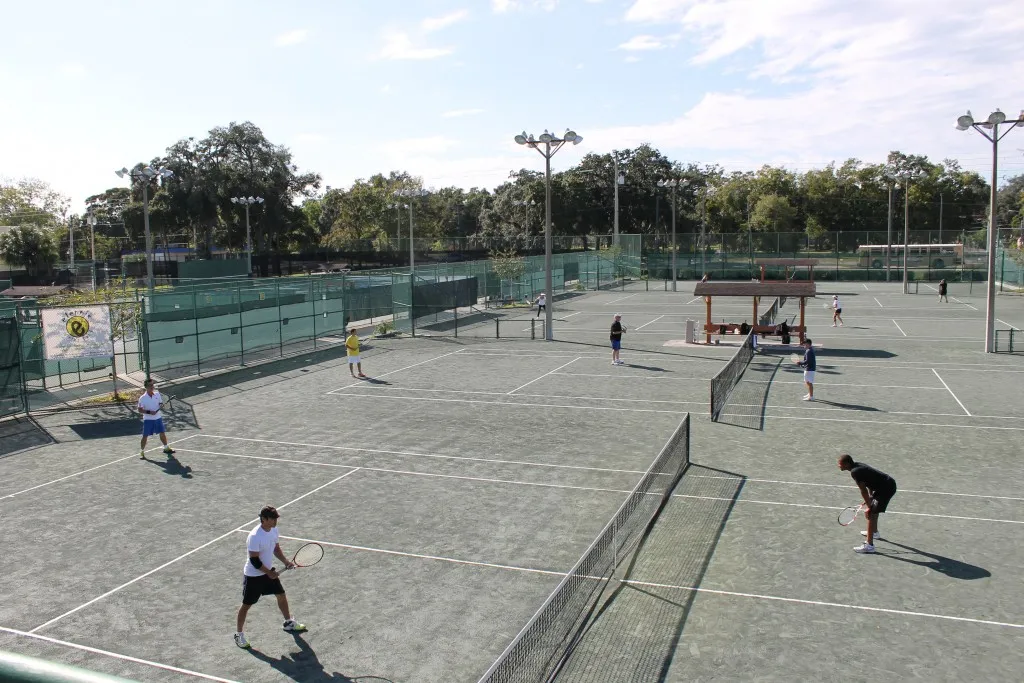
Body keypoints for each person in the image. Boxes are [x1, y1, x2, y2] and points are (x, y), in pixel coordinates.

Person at [234, 506, 307, 649]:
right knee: (246, 605)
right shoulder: (255, 536)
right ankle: (239, 634)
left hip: (267, 573)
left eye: (276, 518)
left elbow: (276, 549)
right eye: (273, 519)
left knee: (281, 595)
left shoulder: (274, 530)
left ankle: (288, 622)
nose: (275, 521)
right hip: (253, 576)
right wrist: (269, 572)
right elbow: (254, 561)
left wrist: (285, 562)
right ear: (264, 519)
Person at [837, 454, 898, 554]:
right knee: (873, 511)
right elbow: (869, 482)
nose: (839, 466)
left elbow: (863, 490)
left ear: (847, 464)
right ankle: (874, 532)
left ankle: (869, 546)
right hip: (885, 486)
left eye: (840, 464)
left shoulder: (855, 472)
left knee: (871, 514)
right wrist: (871, 497)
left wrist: (869, 507)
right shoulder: (857, 466)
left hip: (886, 489)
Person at [137, 379, 175, 459]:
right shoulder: (142, 398)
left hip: (158, 418)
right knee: (145, 436)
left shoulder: (157, 394)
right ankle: (142, 451)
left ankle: (166, 448)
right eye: (150, 385)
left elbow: (160, 403)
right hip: (148, 420)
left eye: (152, 385)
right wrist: (149, 412)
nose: (152, 386)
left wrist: (161, 405)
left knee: (162, 433)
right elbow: (140, 410)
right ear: (146, 387)